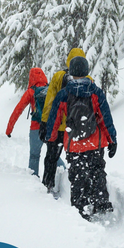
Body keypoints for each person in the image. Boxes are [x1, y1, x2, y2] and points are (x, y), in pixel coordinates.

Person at [45, 56, 117, 220]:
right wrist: (112, 139)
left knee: (78, 176)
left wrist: (51, 137)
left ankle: (81, 208)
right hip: (95, 143)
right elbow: (106, 118)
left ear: (70, 72)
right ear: (86, 71)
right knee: (97, 171)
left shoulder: (64, 94)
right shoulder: (96, 92)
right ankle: (100, 202)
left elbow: (54, 119)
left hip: (74, 144)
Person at [39, 48, 90, 193]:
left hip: (58, 128)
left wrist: (44, 123)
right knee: (79, 161)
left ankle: (47, 185)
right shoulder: (89, 80)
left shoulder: (58, 76)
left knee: (51, 158)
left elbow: (49, 102)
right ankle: (79, 191)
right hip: (78, 130)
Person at [5, 67, 64, 177]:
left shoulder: (31, 92)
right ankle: (64, 174)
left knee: (34, 155)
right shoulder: (50, 89)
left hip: (36, 128)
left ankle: (33, 181)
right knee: (53, 154)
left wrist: (9, 130)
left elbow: (18, 110)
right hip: (50, 127)